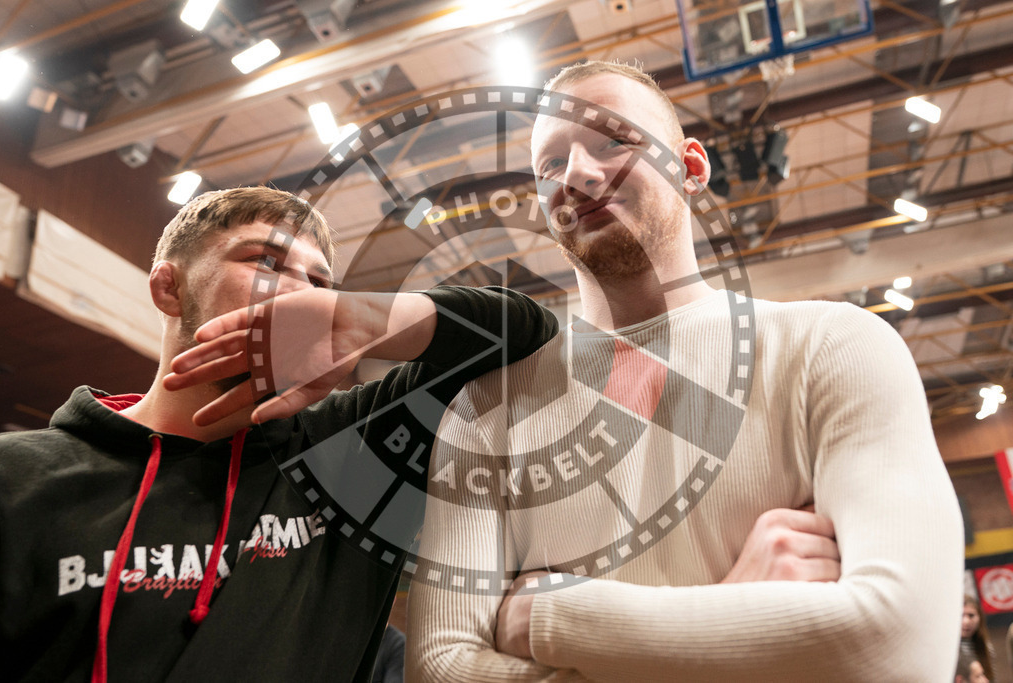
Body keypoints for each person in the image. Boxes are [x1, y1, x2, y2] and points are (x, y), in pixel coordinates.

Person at [407, 61, 964, 681]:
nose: (578, 175)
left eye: (612, 141)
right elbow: (438, 668)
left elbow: (900, 646)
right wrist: (740, 613)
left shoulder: (834, 347)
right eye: (549, 166)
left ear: (692, 168)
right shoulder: (487, 411)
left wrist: (547, 620)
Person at [0, 186, 558, 681]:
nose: (302, 294)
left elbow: (526, 332)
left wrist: (363, 318)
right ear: (169, 289)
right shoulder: (11, 478)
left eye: (320, 283)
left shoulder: (355, 454)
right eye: (267, 262)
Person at [963, 594, 996, 680]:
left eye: (971, 615)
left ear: (979, 617)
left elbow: (991, 678)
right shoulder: (947, 649)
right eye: (961, 615)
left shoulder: (986, 647)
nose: (966, 621)